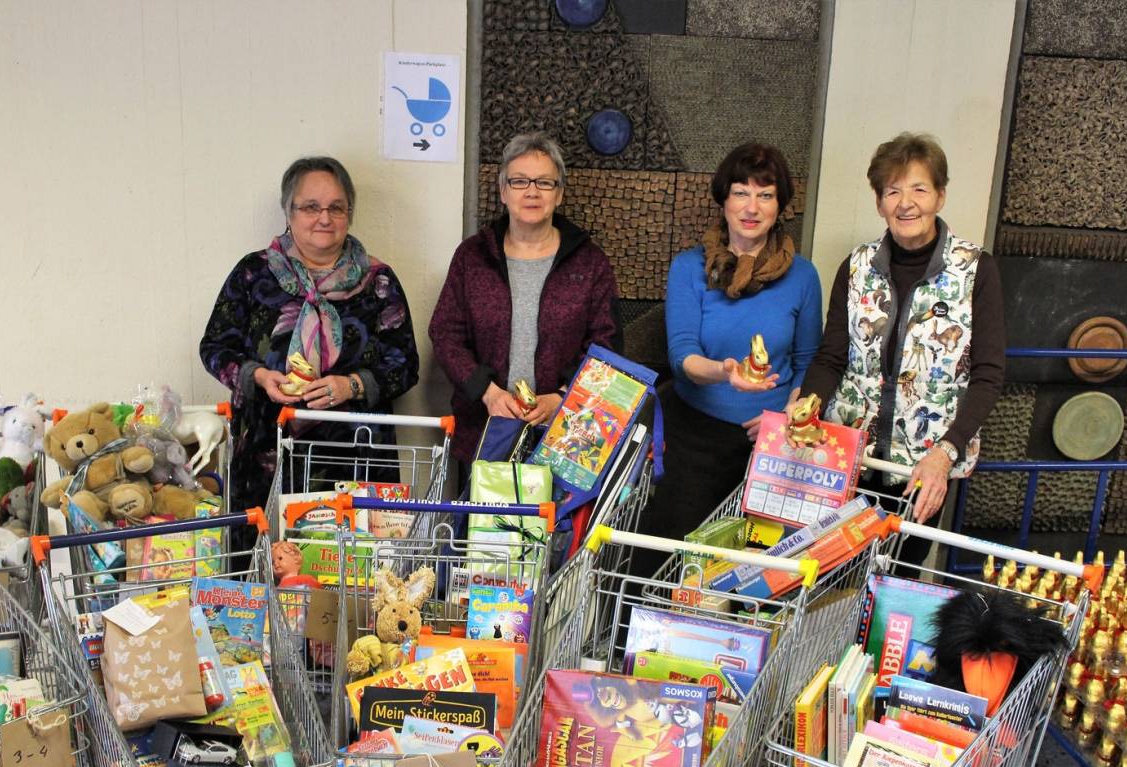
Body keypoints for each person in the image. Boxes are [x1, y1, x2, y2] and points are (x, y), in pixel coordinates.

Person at [800, 132, 1004, 544]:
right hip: (847, 457)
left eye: (919, 189)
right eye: (892, 191)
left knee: (899, 577)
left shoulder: (976, 270)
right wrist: (806, 408)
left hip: (924, 466)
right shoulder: (856, 268)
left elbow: (988, 375)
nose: (905, 203)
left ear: (940, 197)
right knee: (832, 572)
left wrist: (945, 455)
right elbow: (831, 358)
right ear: (879, 203)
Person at [200, 156, 419, 518]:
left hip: (357, 460)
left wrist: (353, 385)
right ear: (289, 211)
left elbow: (405, 364)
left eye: (336, 207)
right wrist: (257, 376)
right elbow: (215, 346)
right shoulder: (254, 273)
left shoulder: (378, 281)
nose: (324, 217)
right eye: (310, 207)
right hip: (267, 456)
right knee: (265, 564)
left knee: (353, 568)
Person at [638, 142, 823, 559]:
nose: (751, 206)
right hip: (695, 439)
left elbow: (808, 359)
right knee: (664, 559)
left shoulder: (803, 277)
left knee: (758, 570)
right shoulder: (689, 268)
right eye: (741, 192)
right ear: (723, 200)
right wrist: (725, 372)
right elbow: (682, 357)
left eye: (765, 194)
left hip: (773, 448)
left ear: (780, 206)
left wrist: (784, 420)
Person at [429, 132, 621, 483]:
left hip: (565, 435)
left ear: (560, 193)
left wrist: (561, 399)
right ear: (503, 191)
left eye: (544, 182)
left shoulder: (590, 263)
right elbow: (445, 333)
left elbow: (606, 346)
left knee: (553, 534)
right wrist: (487, 393)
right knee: (482, 534)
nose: (531, 192)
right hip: (484, 430)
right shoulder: (472, 256)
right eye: (519, 181)